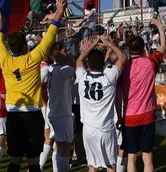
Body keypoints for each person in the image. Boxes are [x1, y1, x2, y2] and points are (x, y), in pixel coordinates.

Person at [0, 0, 66, 171]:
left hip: (13, 116)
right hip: (32, 115)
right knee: (33, 161)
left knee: (15, 160)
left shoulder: (5, 60)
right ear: (25, 46)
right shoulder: (32, 59)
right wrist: (59, 12)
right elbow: (49, 37)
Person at [120, 18, 166, 172]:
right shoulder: (150, 62)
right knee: (147, 156)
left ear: (128, 49)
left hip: (130, 116)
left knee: (132, 156)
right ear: (143, 48)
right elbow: (163, 47)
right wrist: (160, 26)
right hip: (147, 114)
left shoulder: (124, 67)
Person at [75, 36, 126, 172]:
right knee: (111, 165)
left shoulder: (82, 77)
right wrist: (109, 44)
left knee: (93, 165)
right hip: (105, 129)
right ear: (103, 65)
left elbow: (79, 60)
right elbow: (122, 57)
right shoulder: (109, 77)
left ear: (88, 64)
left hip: (88, 129)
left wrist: (92, 46)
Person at [47, 42, 75, 172]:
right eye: (65, 50)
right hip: (62, 114)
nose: (68, 52)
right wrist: (68, 59)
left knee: (59, 146)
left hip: (55, 112)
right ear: (56, 53)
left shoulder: (50, 68)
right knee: (65, 147)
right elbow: (78, 68)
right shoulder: (63, 70)